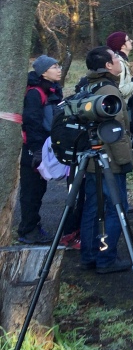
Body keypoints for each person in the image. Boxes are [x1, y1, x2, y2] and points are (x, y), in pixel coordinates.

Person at [79, 46, 133, 274]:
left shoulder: (86, 84)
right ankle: (106, 258)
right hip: (109, 161)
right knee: (113, 209)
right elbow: (117, 130)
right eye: (116, 58)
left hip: (91, 157)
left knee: (92, 208)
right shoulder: (109, 88)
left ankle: (89, 256)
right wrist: (125, 161)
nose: (119, 61)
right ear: (108, 65)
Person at [17, 55, 64, 244]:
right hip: (35, 150)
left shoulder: (51, 90)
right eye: (54, 66)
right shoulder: (35, 93)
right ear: (44, 72)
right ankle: (27, 231)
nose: (59, 69)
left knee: (38, 190)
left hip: (44, 147)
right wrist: (37, 151)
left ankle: (32, 228)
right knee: (31, 191)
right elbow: (32, 122)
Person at [106, 31, 133, 101]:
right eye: (128, 39)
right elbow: (120, 90)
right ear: (122, 46)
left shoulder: (120, 60)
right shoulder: (119, 63)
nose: (131, 41)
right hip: (124, 107)